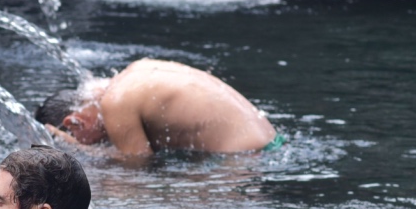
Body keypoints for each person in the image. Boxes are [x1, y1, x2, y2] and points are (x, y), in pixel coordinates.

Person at [35, 59, 276, 157]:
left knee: (120, 190)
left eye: (79, 137)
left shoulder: (115, 103)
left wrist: (79, 149)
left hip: (247, 160)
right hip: (272, 141)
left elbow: (137, 165)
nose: (95, 142)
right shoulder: (136, 69)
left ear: (74, 122)